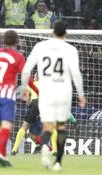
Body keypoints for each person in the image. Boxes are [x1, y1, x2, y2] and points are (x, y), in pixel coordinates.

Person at [21, 20, 86, 171]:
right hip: (63, 91)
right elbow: (76, 74)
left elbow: (26, 69)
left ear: (52, 32)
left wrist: (24, 88)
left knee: (48, 126)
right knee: (61, 127)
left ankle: (44, 148)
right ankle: (57, 162)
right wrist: (81, 95)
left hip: (46, 91)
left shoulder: (40, 47)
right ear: (66, 34)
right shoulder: (70, 49)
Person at [0, 30, 39, 167]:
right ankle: (0, 154)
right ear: (17, 42)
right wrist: (38, 91)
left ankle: (2, 156)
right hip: (7, 95)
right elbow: (26, 77)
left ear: (3, 40)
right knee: (7, 126)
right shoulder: (18, 57)